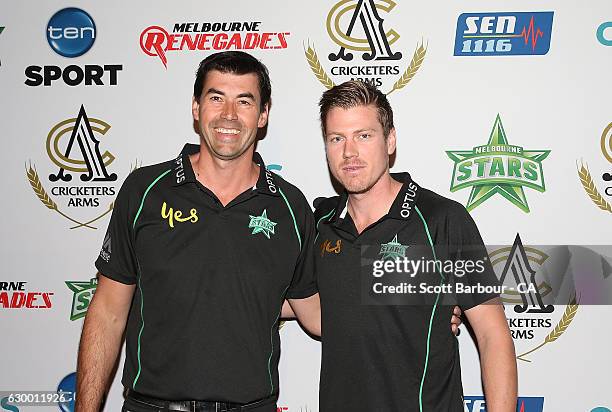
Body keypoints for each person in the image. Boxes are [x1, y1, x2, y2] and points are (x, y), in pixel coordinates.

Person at [75, 51, 321, 412]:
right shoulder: (144, 190)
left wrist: (398, 288)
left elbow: (316, 314)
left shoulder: (290, 207)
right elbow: (108, 312)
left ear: (263, 114)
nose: (229, 115)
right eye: (216, 98)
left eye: (244, 101)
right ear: (196, 107)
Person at [312, 80, 517, 411]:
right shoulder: (321, 223)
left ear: (390, 140)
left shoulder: (441, 219)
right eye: (337, 138)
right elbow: (290, 297)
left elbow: (493, 335)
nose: (350, 152)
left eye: (364, 136)